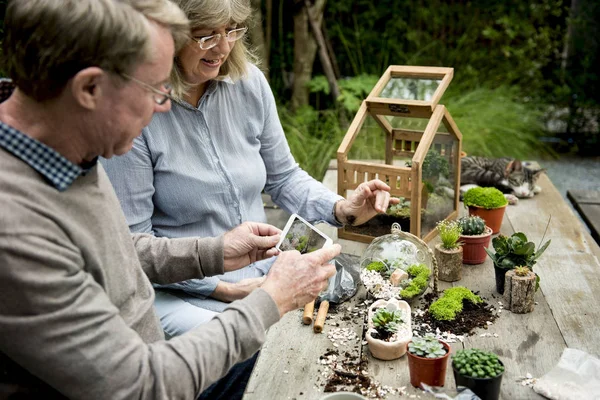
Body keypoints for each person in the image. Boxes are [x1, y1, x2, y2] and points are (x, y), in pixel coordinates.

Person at [0, 0, 340, 399]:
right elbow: (138, 385)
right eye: (157, 88)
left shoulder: (70, 146)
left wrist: (212, 252)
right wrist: (270, 301)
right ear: (89, 89)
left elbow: (122, 249)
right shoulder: (16, 229)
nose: (165, 105)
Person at [101, 0, 398, 336]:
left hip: (262, 274)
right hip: (179, 292)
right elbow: (133, 249)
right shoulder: (137, 112)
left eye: (231, 31)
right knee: (255, 349)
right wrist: (224, 290)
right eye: (206, 36)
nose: (224, 47)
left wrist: (342, 208)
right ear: (167, 37)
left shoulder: (249, 83)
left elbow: (284, 177)